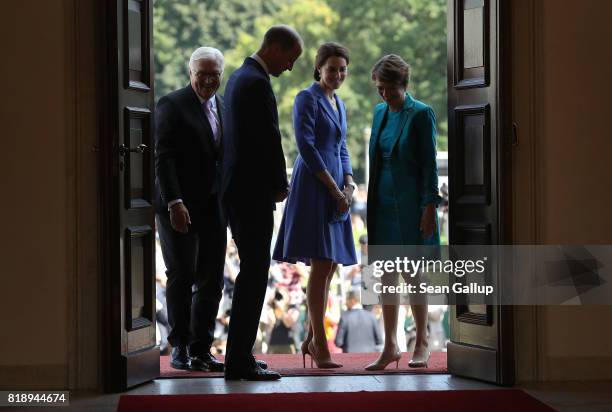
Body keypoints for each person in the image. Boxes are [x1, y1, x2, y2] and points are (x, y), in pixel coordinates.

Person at [220, 25, 303, 381]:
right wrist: (279, 183)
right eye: (290, 57)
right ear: (274, 47)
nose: (290, 67)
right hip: (252, 195)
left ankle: (239, 355)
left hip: (238, 193)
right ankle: (239, 359)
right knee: (254, 276)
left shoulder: (238, 78)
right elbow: (268, 137)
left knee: (251, 274)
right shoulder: (255, 82)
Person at [273, 42, 357, 368]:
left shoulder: (340, 103)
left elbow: (342, 147)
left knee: (331, 265)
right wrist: (335, 189)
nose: (338, 74)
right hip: (315, 186)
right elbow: (306, 147)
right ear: (319, 68)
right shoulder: (305, 98)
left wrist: (349, 183)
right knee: (322, 265)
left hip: (338, 187)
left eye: (342, 69)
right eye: (332, 68)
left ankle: (311, 338)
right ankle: (320, 344)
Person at [365, 54, 442, 370]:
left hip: (412, 205)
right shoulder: (379, 112)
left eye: (389, 89)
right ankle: (390, 346)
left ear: (403, 85)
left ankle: (422, 341)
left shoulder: (422, 114)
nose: (384, 95)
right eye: (380, 89)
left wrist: (429, 206)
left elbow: (429, 165)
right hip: (381, 203)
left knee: (413, 276)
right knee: (384, 277)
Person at [154, 46, 227, 372]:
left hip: (214, 207)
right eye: (202, 74)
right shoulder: (172, 104)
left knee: (212, 281)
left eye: (214, 74)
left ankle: (202, 348)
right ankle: (180, 345)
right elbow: (163, 157)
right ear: (190, 73)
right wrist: (175, 202)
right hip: (179, 207)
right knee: (181, 276)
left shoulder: (223, 107)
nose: (208, 80)